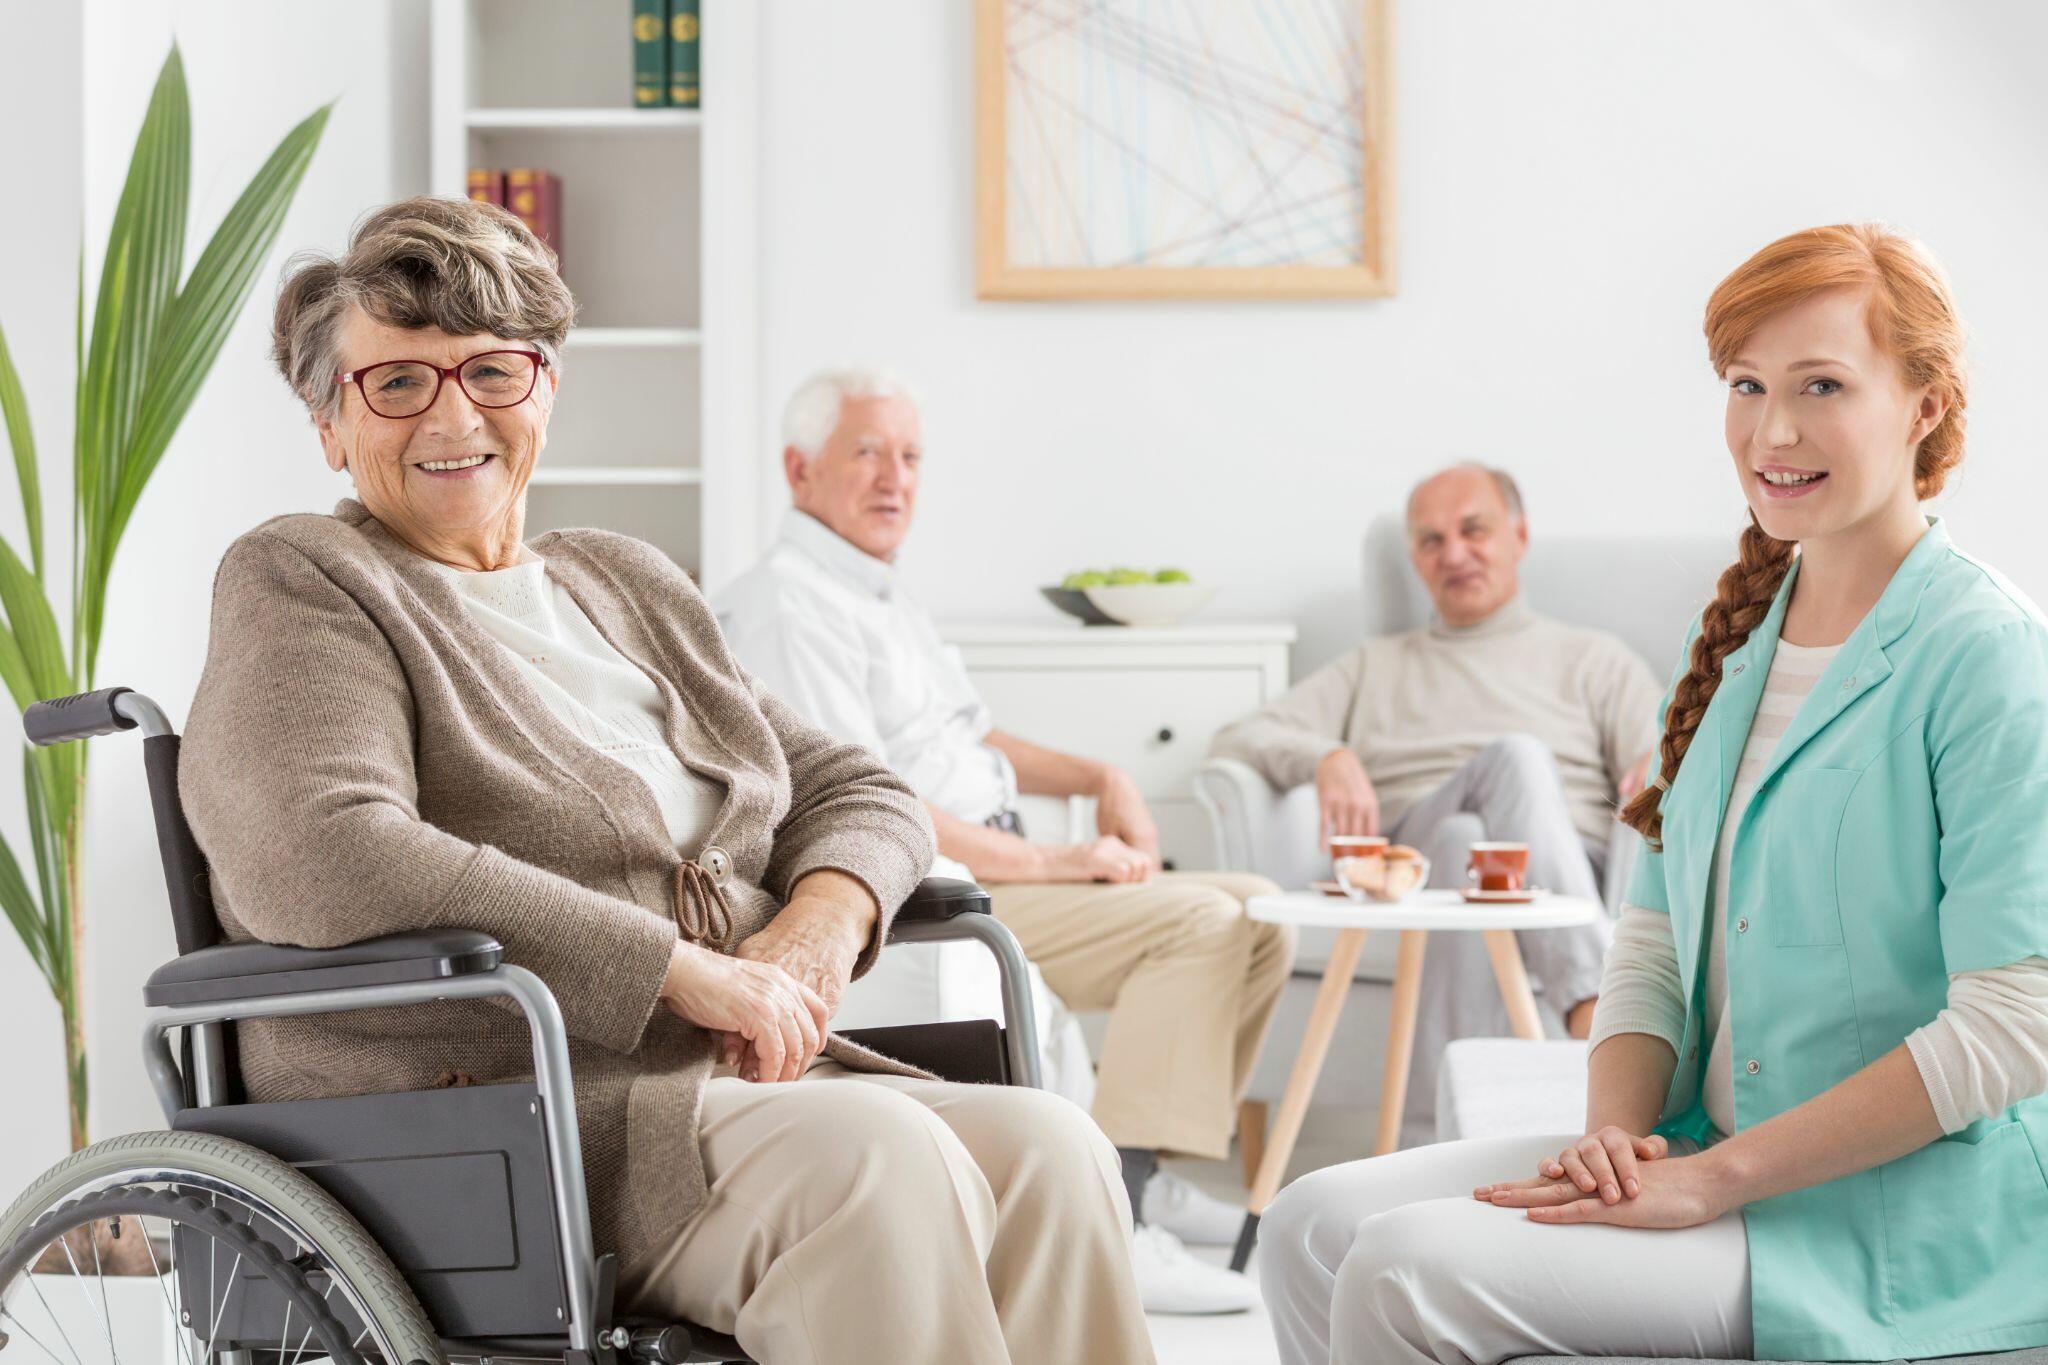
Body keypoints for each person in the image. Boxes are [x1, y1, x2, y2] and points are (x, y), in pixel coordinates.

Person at [178, 197, 1156, 1365]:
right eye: (398, 382)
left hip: (727, 1088)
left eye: (493, 371)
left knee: (1051, 1149)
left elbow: (859, 788)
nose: (454, 413)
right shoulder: (308, 578)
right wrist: (677, 971)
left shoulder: (623, 582)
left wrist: (813, 932)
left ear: (543, 391)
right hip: (504, 1110)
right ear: (331, 423)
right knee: (874, 1165)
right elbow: (323, 853)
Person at [1259, 223, 2048, 1364]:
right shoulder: (1729, 645)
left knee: (1401, 1271)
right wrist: (1612, 1144)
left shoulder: (1985, 656)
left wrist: (1713, 1181)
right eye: (1745, 385)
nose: (1771, 430)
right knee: (1308, 1224)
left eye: (1821, 384)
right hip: (1700, 1150)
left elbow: (2017, 1023)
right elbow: (1650, 944)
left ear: (1924, 403)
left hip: (1891, 1216)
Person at [714, 364, 1298, 1315]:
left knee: (1262, 910)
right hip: (940, 881)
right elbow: (860, 805)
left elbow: (970, 735)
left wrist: (1100, 777)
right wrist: (1062, 860)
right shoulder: (789, 604)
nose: (895, 477)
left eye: (910, 456)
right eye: (866, 452)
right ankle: (1126, 1202)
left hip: (1007, 856)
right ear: (798, 469)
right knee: (1199, 923)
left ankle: (1141, 1151)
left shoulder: (877, 591)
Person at [1211, 462, 1660, 1140]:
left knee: (1470, 828)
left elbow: (1664, 754)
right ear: (1416, 560)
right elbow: (1240, 733)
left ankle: (1438, 1143)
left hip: (1564, 866)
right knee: (1474, 804)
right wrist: (1324, 756)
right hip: (1409, 863)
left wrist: (1667, 756)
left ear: (1519, 535)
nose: (1453, 553)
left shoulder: (1594, 659)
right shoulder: (1375, 664)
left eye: (1473, 530)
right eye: (1430, 540)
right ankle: (1594, 1011)